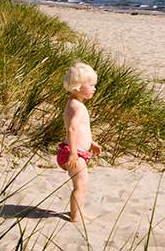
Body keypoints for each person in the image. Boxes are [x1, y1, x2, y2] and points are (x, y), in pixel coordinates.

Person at [57, 62, 102, 222]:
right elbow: (72, 129)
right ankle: (76, 216)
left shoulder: (74, 103)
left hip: (74, 151)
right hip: (72, 153)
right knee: (81, 184)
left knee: (82, 184)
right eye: (90, 85)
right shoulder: (78, 107)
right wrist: (74, 154)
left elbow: (82, 131)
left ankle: (79, 212)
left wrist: (92, 143)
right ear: (77, 87)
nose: (94, 88)